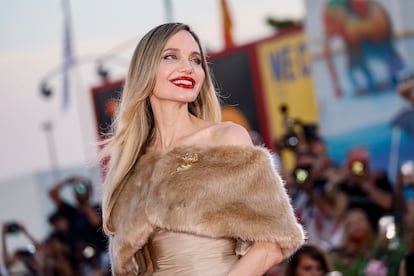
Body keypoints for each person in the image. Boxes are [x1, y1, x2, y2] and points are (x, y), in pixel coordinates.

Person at [98, 22, 305, 275]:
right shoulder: (131, 164)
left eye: (196, 60)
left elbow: (271, 244)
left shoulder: (225, 139)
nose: (188, 68)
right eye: (171, 56)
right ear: (145, 70)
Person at [48, 175, 108, 275]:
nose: (80, 191)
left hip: (99, 255)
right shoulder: (71, 211)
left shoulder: (96, 208)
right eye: (77, 190)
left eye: (83, 189)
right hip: (78, 259)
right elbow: (52, 193)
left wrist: (84, 202)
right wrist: (69, 180)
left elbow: (96, 223)